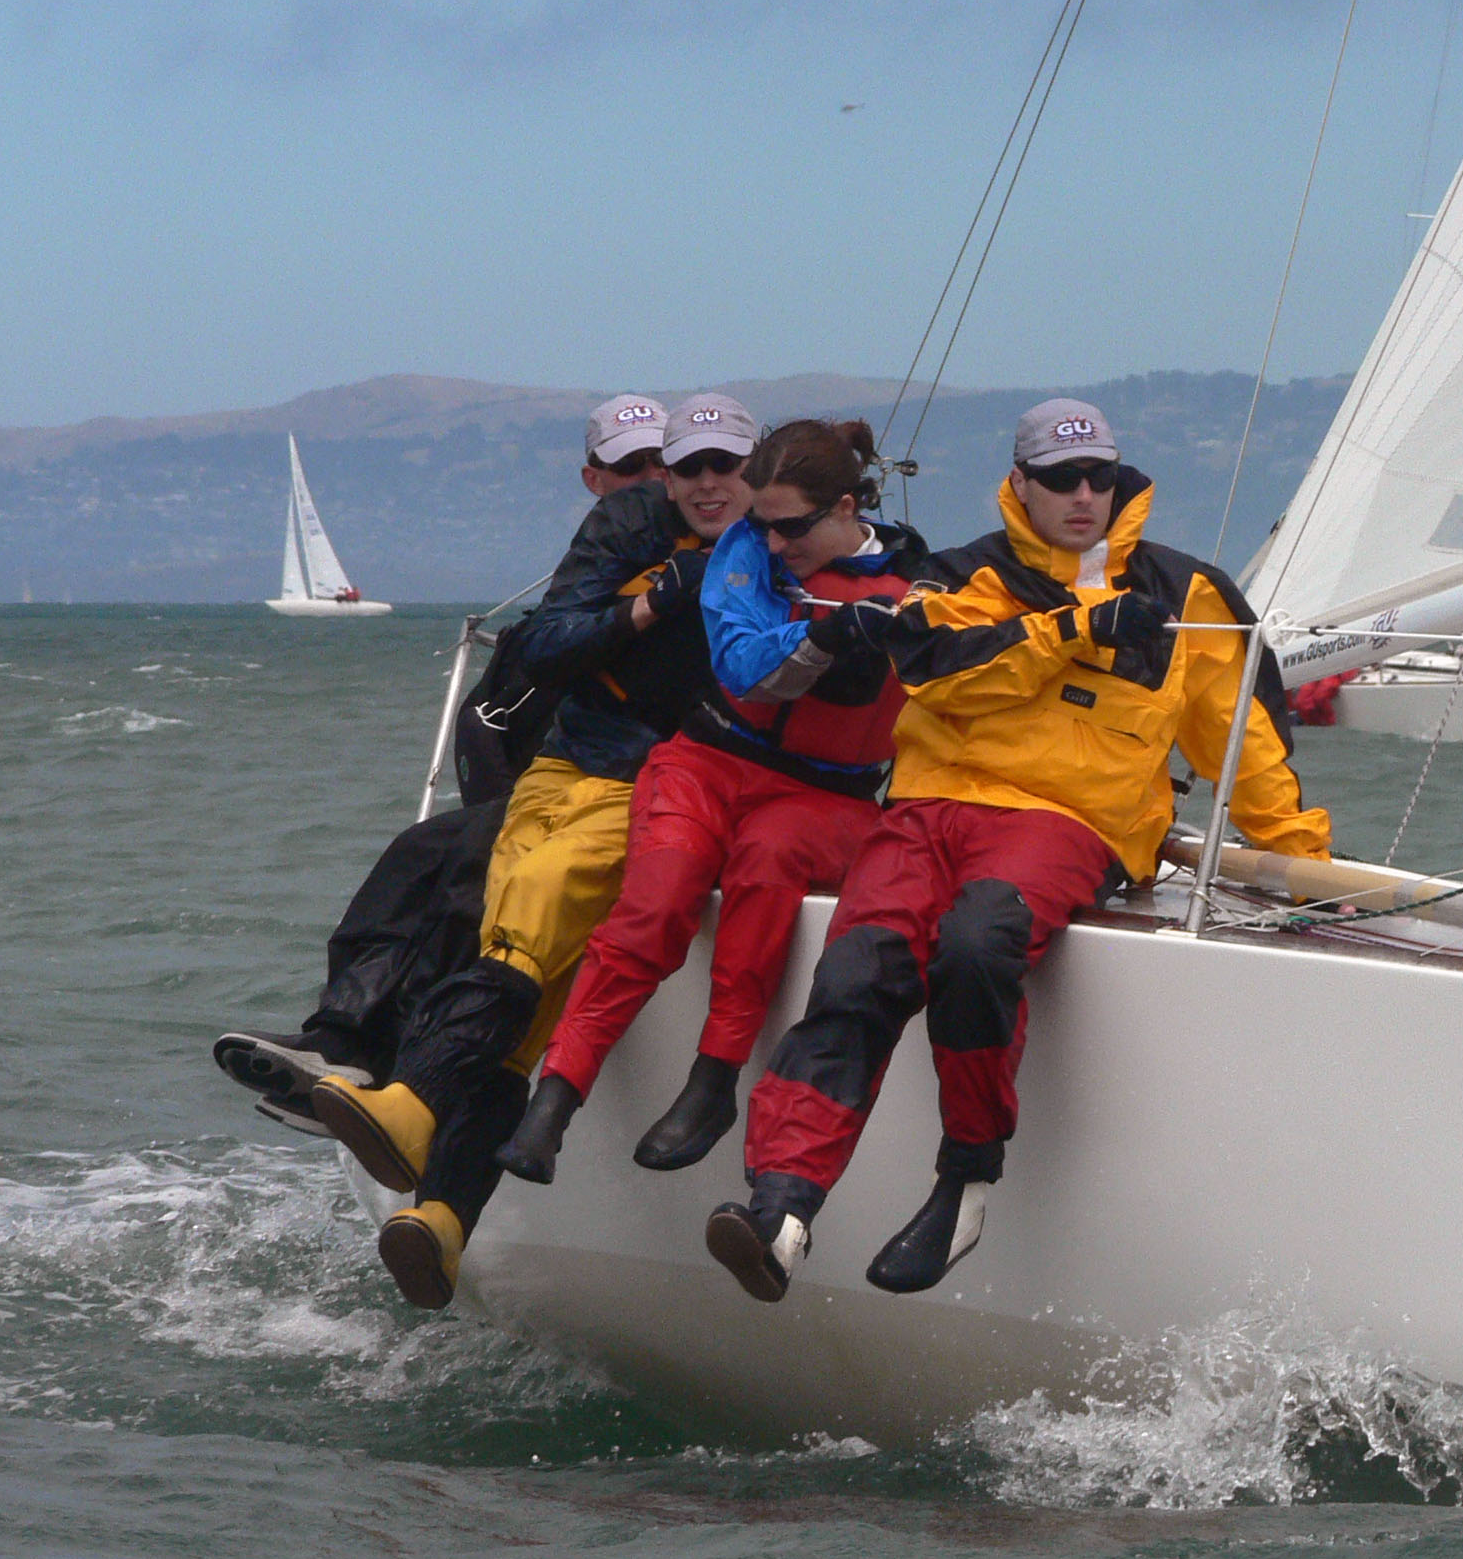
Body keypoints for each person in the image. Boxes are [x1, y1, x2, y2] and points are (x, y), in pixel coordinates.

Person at [705, 398, 1332, 1303]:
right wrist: (1073, 630)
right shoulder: (958, 576)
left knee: (974, 945)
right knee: (856, 971)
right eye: (1060, 478)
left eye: (1098, 477)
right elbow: (939, 672)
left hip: (1070, 820)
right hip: (930, 806)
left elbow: (1250, 748)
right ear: (1020, 483)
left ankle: (965, 1179)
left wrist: (1307, 870)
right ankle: (780, 1208)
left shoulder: (1190, 596)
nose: (1083, 494)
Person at [311, 392, 759, 1310]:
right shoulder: (626, 526)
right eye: (685, 467)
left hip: (670, 783)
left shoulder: (776, 543)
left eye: (727, 466)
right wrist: (648, 604)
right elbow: (549, 644)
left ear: (759, 472)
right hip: (564, 762)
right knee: (515, 967)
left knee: (534, 904)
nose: (704, 482)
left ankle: (414, 1099)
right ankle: (443, 1213)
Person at [211, 394, 670, 1131]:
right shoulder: (589, 573)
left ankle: (389, 1069)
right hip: (555, 787)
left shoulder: (702, 569)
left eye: (664, 463)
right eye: (631, 466)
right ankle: (339, 1039)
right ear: (594, 479)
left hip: (636, 798)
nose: (651, 479)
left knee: (473, 867)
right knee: (418, 849)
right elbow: (501, 704)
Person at [494, 419, 933, 1184]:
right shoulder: (744, 548)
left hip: (825, 795)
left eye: (790, 526)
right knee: (656, 898)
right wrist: (830, 636)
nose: (772, 543)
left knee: (768, 862)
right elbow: (742, 664)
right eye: (762, 524)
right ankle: (555, 1096)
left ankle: (713, 1079)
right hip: (708, 759)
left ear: (845, 507)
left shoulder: (921, 587)